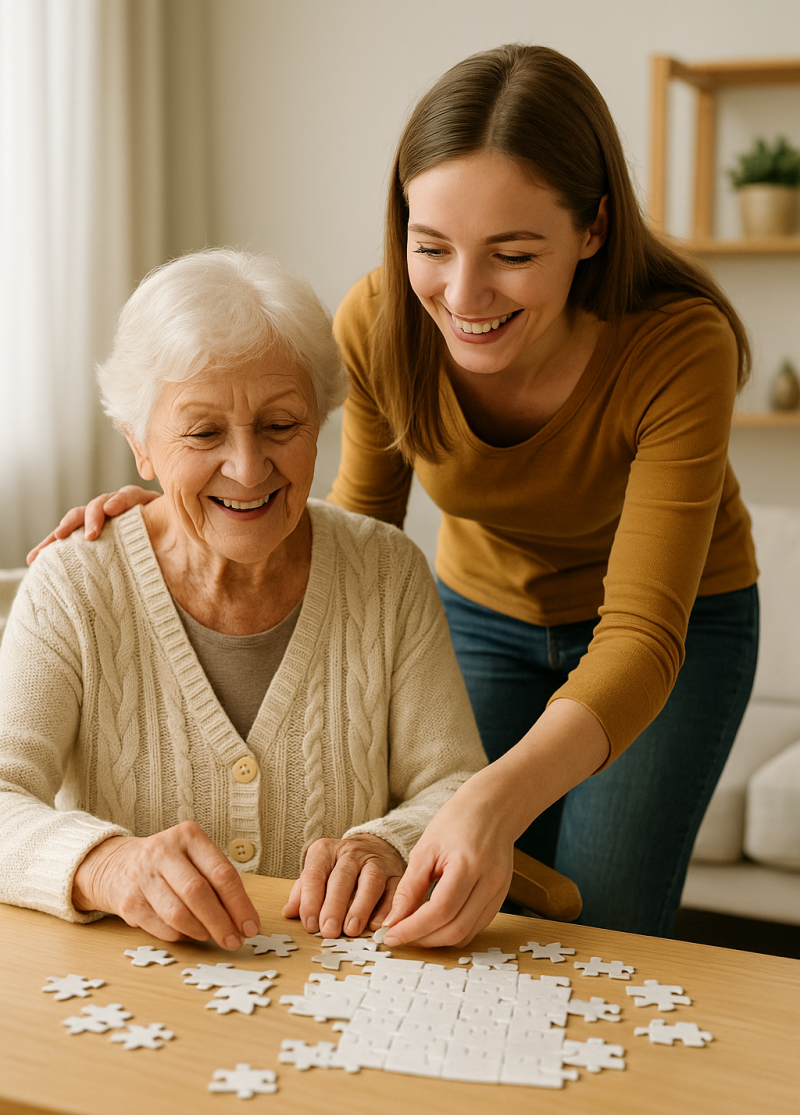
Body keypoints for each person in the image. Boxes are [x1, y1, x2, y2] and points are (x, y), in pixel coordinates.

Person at [34, 44, 759, 949]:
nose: (463, 295)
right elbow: (345, 549)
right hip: (485, 609)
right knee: (466, 917)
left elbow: (643, 632)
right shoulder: (380, 325)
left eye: (514, 252)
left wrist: (490, 798)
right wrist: (194, 508)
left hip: (670, 631)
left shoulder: (678, 347)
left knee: (601, 920)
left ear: (594, 229)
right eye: (431, 247)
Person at [1, 248, 486, 1115]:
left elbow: (458, 787)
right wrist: (109, 864)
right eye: (202, 432)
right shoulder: (75, 582)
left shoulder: (386, 572)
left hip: (342, 1022)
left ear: (323, 427)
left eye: (281, 424)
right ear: (141, 444)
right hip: (122, 1023)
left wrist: (387, 846)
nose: (247, 465)